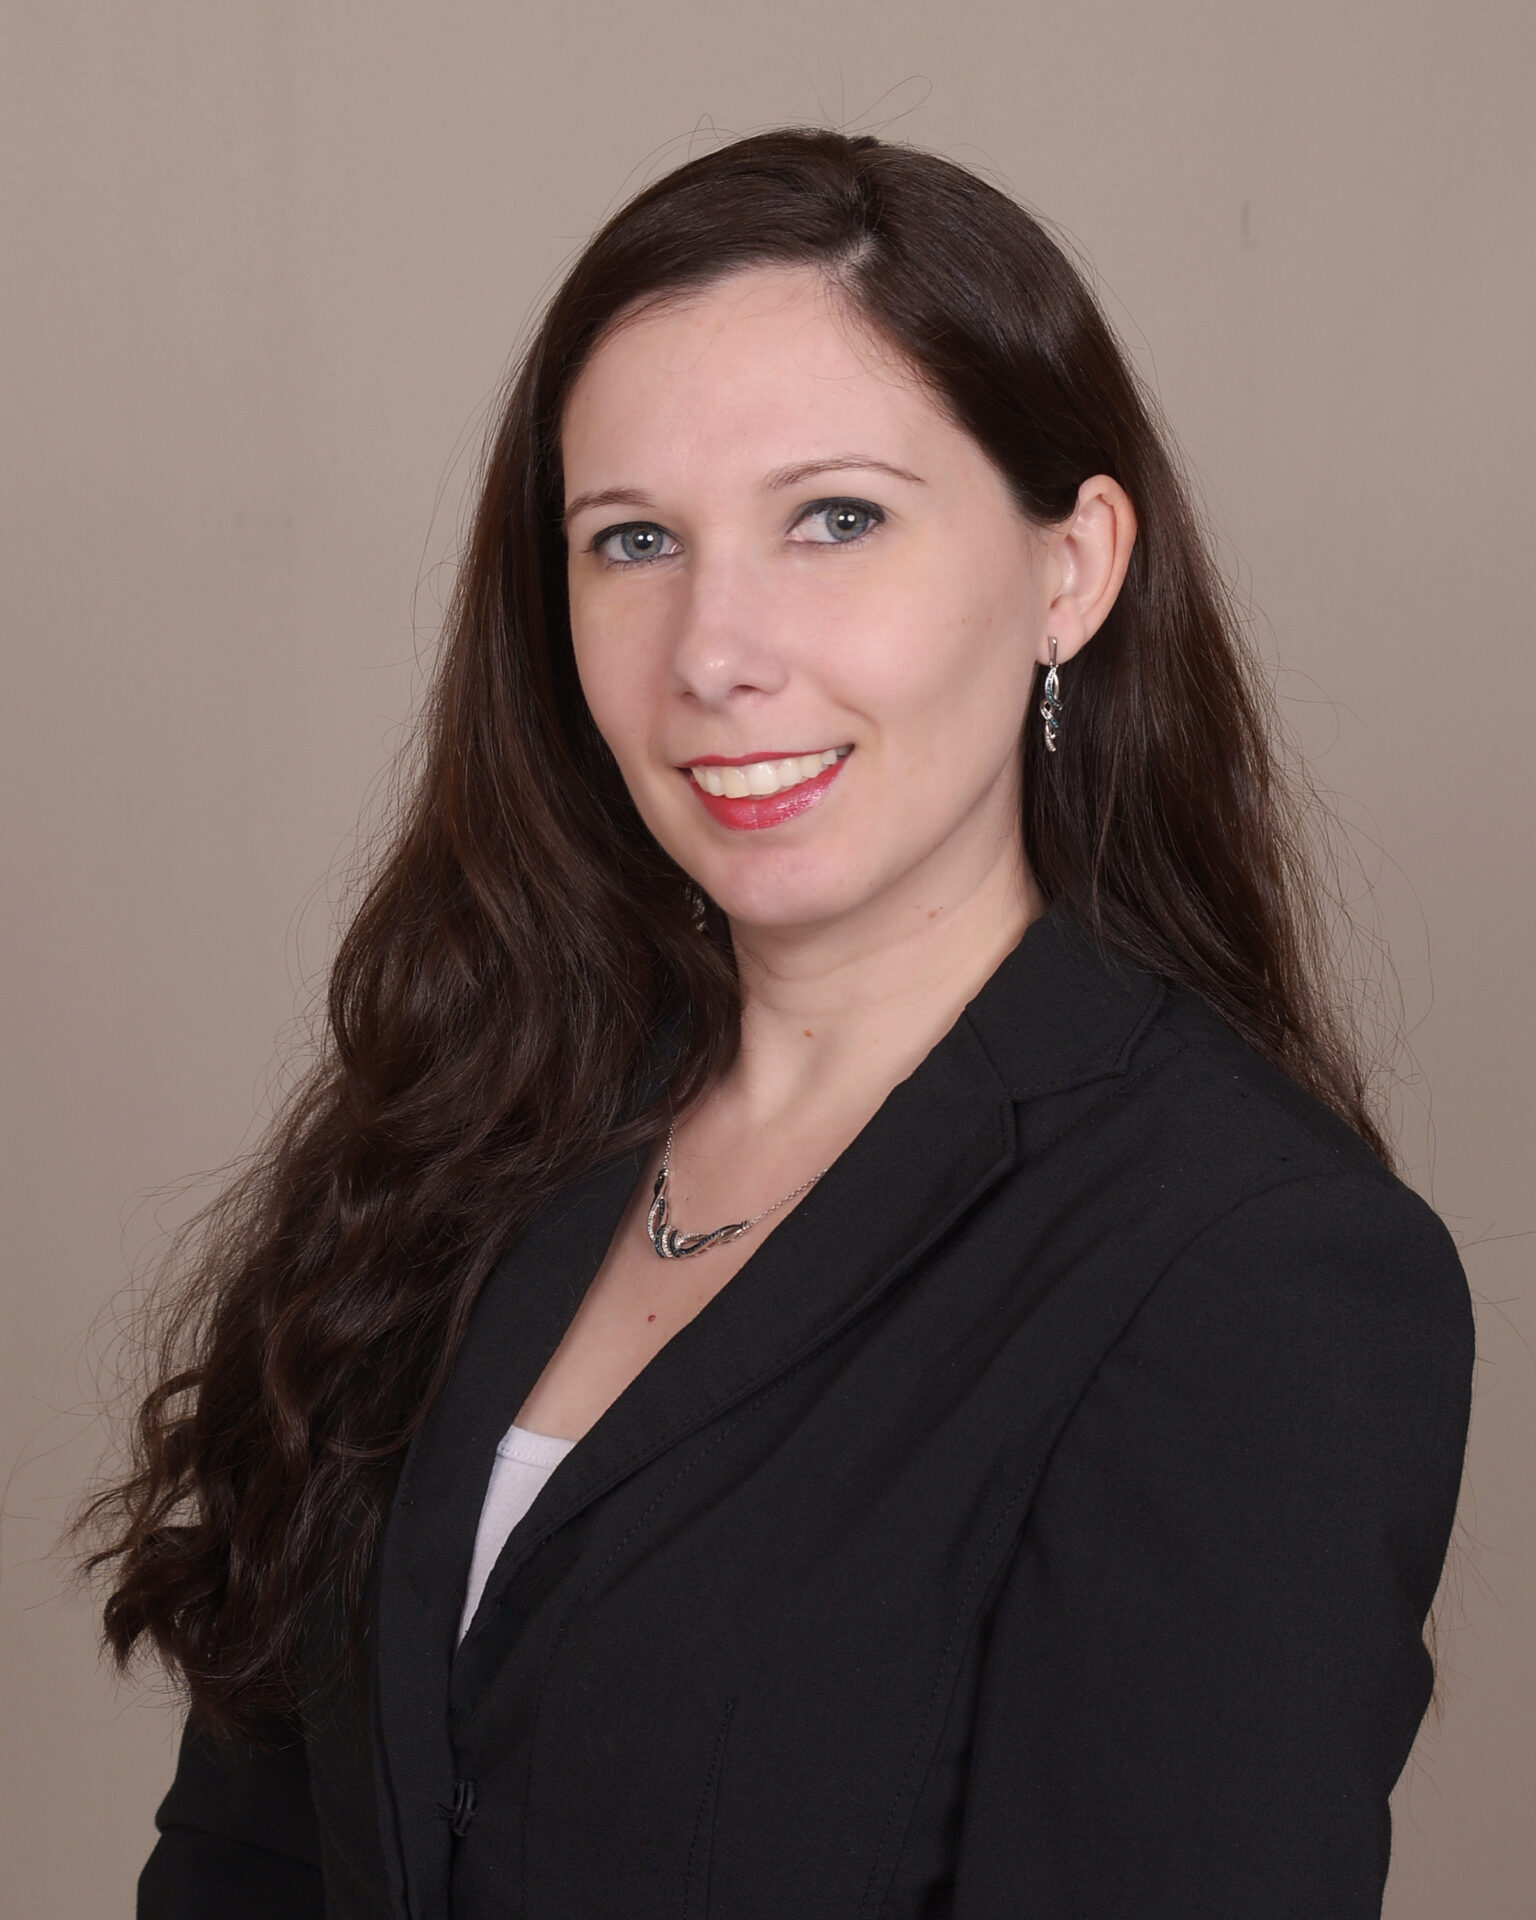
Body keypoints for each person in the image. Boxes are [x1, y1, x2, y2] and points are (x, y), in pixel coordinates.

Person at [87, 127, 1474, 1919]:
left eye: (836, 519)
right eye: (633, 540)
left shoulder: (1249, 1269)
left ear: (1073, 569)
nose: (713, 649)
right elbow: (246, 1862)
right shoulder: (458, 1129)